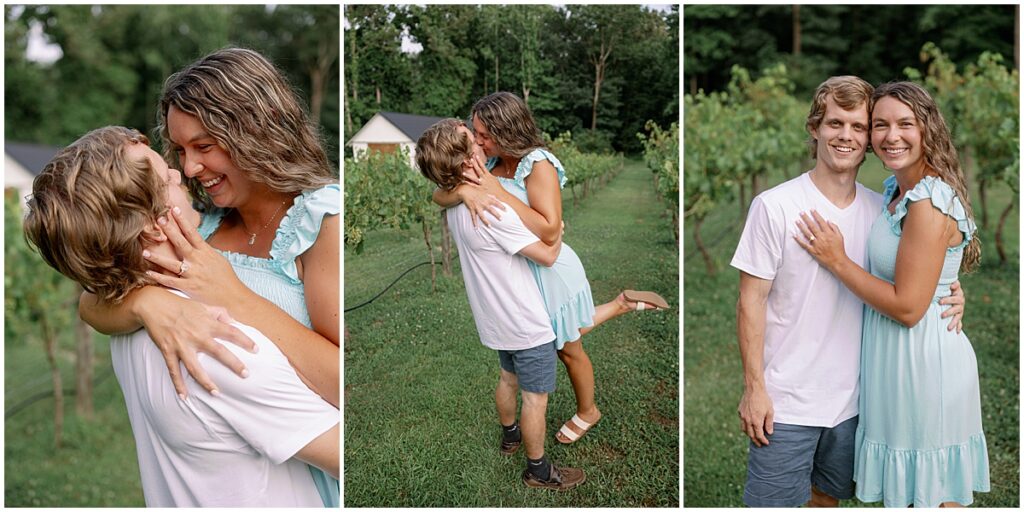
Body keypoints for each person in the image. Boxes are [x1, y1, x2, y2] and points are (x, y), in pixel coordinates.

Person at [77, 48, 340, 506]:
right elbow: (92, 301)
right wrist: (148, 304)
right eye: (179, 150)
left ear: (260, 127)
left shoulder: (322, 223)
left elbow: (345, 385)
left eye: (204, 146)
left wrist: (235, 297)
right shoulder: (207, 225)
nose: (190, 168)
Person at [731, 76, 966, 507]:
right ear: (815, 128)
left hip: (861, 403)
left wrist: (949, 292)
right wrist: (754, 388)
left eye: (859, 127)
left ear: (869, 140)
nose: (847, 136)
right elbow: (751, 301)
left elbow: (918, 270)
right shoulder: (775, 206)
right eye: (836, 123)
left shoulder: (885, 209)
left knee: (827, 500)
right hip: (788, 403)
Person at [433, 91, 669, 445]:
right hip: (523, 272)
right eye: (476, 133)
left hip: (551, 268)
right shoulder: (491, 162)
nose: (478, 141)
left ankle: (589, 410)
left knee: (566, 347)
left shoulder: (537, 164)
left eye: (484, 134)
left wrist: (496, 191)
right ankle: (621, 303)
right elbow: (437, 194)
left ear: (507, 129)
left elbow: (548, 229)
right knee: (556, 336)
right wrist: (466, 193)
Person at [794, 81, 989, 507]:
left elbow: (908, 307)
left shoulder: (928, 201)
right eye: (879, 125)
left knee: (932, 494)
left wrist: (838, 260)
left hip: (922, 366)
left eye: (905, 124)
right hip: (893, 366)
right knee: (910, 491)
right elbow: (925, 271)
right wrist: (949, 287)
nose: (890, 136)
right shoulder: (897, 192)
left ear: (927, 130)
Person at [416, 118, 586, 490]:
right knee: (535, 398)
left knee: (508, 378)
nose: (480, 144)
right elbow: (546, 256)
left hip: (494, 319)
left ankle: (510, 436)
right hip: (525, 322)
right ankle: (539, 471)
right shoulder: (493, 209)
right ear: (465, 161)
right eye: (471, 141)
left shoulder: (458, 205)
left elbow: (441, 195)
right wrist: (557, 236)